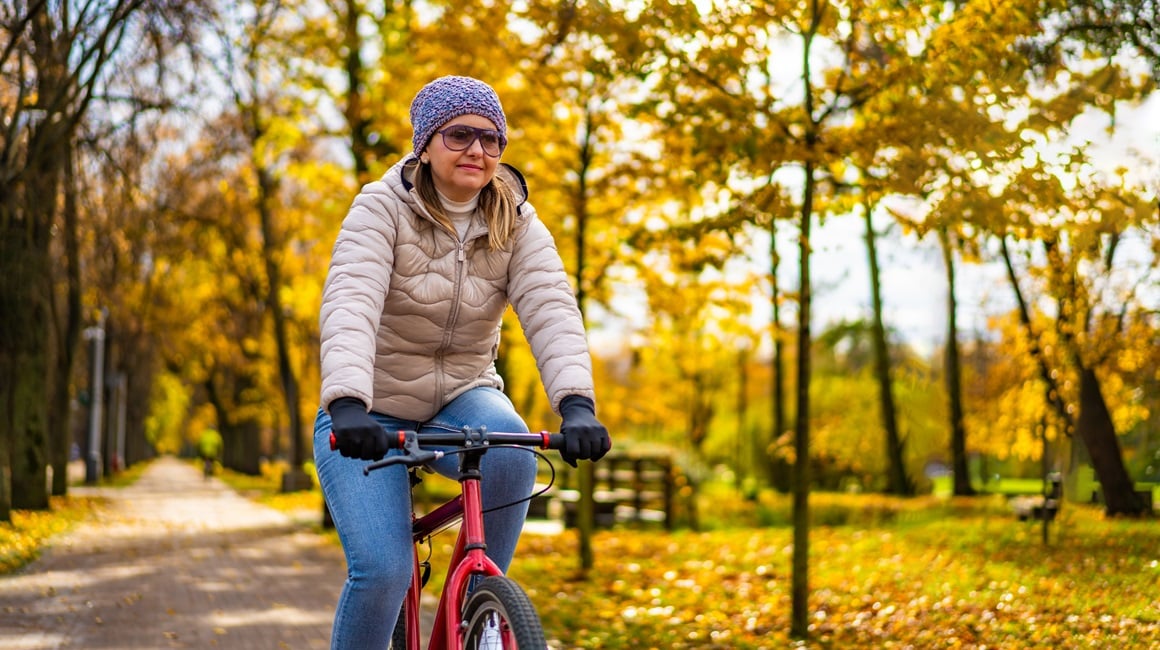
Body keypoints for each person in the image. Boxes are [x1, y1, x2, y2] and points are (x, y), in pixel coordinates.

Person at [312, 75, 612, 648]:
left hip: (462, 399)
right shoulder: (381, 208)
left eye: (491, 139)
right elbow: (351, 301)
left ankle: (478, 605)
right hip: (367, 412)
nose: (478, 150)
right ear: (424, 144)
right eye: (459, 135)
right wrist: (347, 403)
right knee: (383, 571)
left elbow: (551, 307)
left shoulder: (516, 221)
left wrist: (576, 405)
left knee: (512, 447)